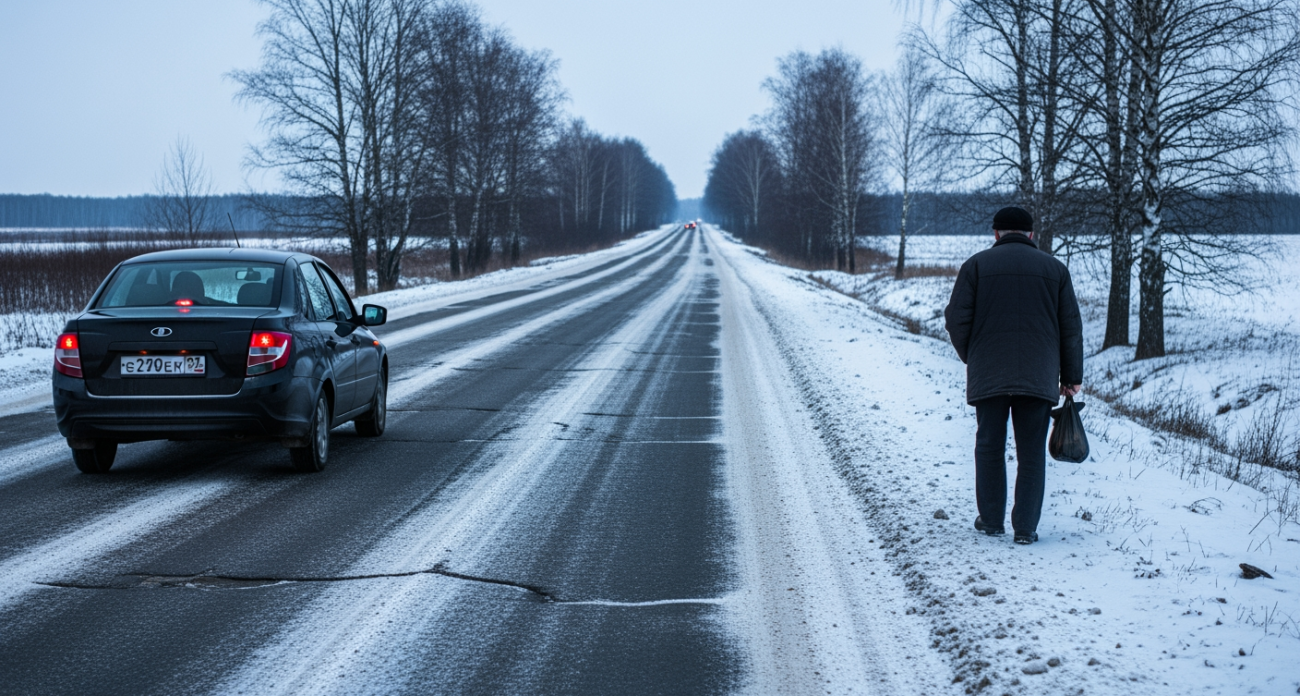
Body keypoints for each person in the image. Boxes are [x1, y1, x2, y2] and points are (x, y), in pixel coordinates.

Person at [943, 206, 1083, 545]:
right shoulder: (1055, 270)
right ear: (1031, 234)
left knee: (989, 445)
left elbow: (955, 319)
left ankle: (991, 520)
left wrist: (972, 355)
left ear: (996, 233)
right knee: (1031, 452)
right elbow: (1070, 328)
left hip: (989, 372)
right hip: (1038, 375)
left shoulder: (975, 266)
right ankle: (1025, 528)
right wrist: (1070, 376)